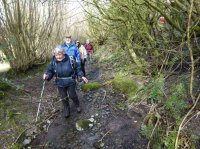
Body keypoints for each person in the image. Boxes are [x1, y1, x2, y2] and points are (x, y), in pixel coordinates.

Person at [43, 46, 88, 118]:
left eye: (59, 54)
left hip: (70, 81)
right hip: (60, 82)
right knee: (63, 97)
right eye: (56, 55)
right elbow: (50, 71)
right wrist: (47, 76)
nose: (58, 56)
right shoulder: (53, 62)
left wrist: (82, 75)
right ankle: (66, 109)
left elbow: (77, 69)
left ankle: (77, 105)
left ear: (63, 53)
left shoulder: (70, 59)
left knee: (72, 95)